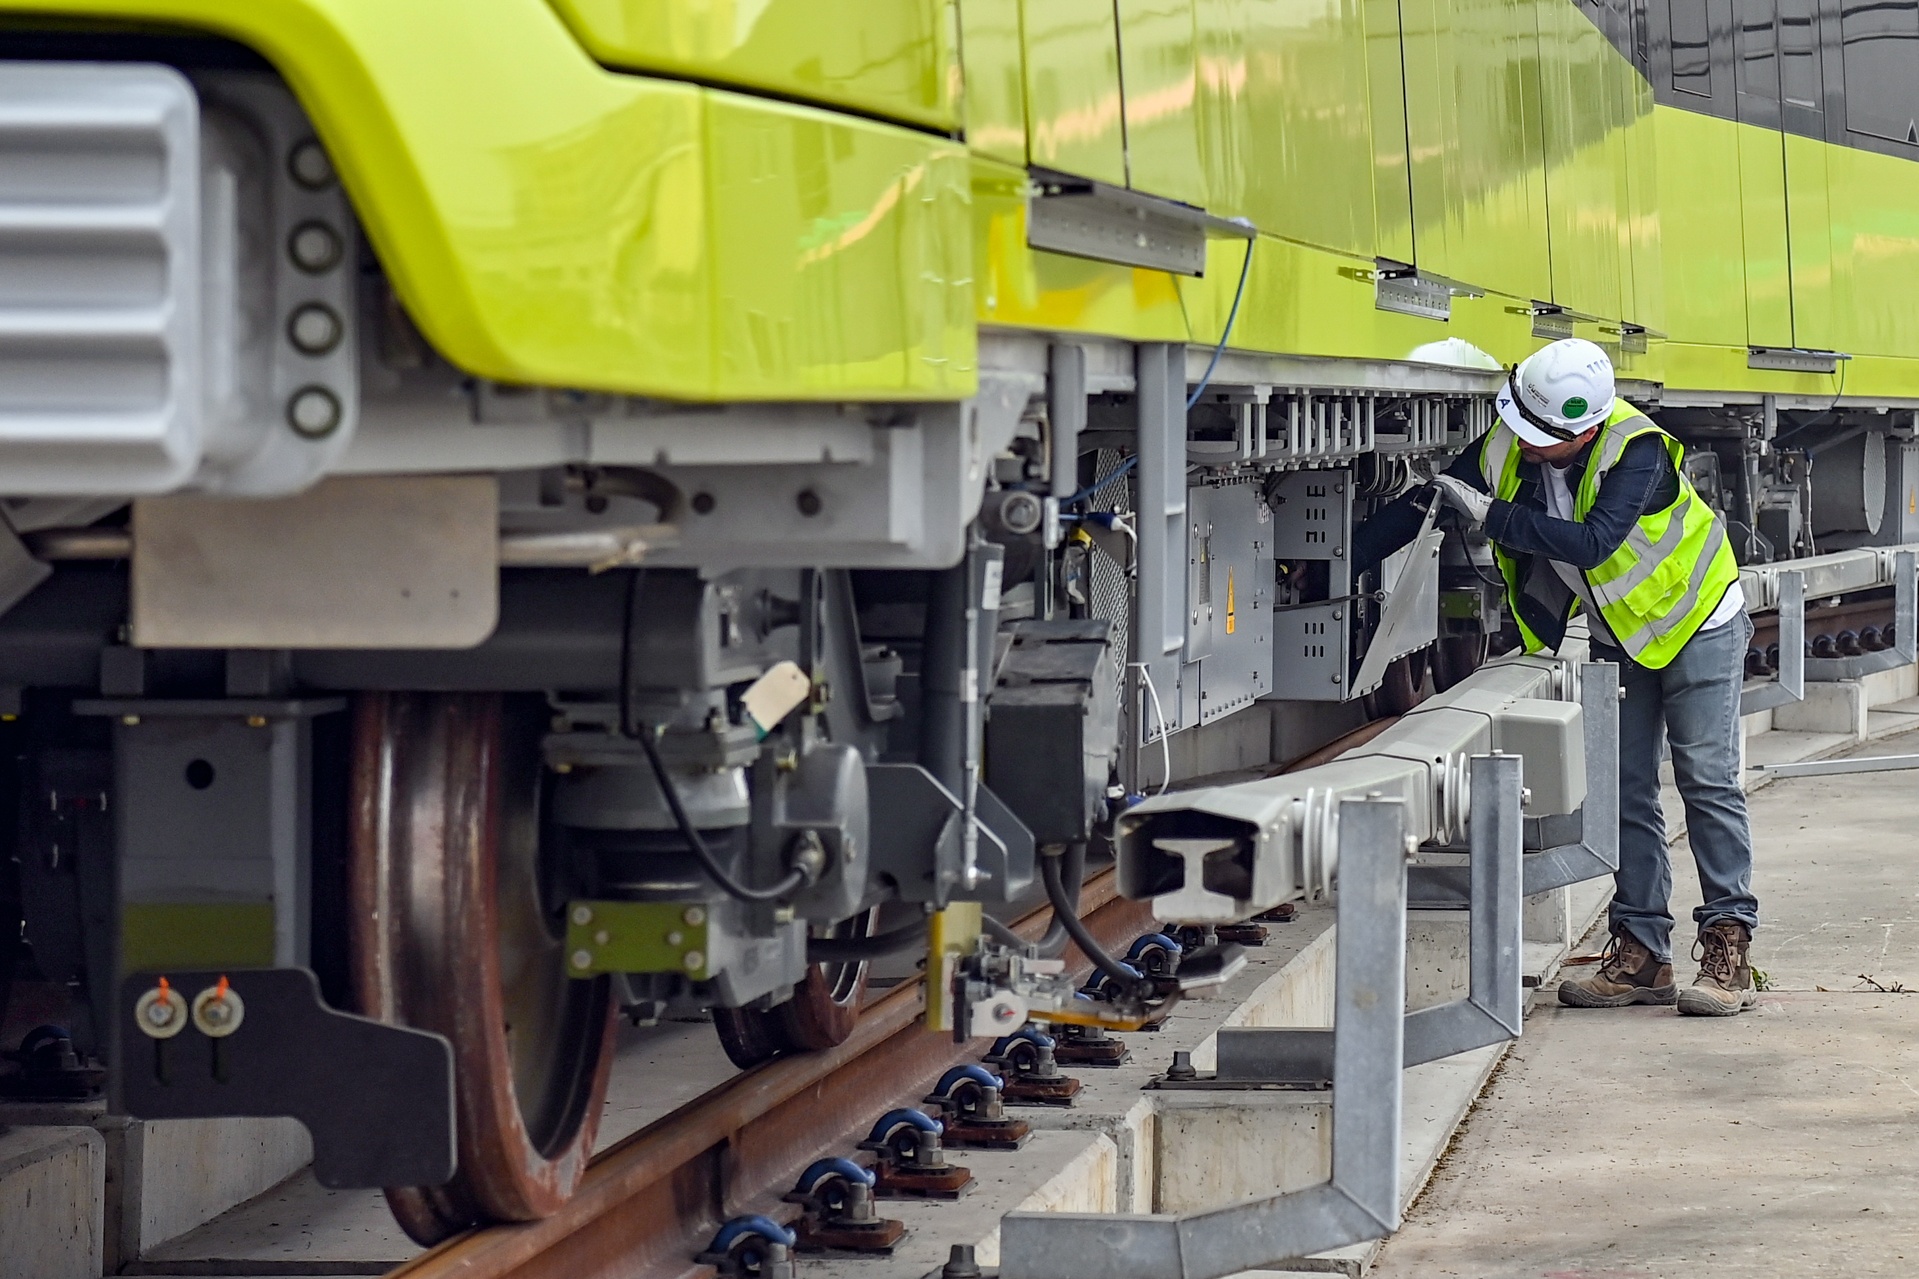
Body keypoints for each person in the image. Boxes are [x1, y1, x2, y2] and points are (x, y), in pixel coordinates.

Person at [1354, 337, 1759, 1016]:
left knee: (1706, 780)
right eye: (1519, 422)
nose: (1521, 440)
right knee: (1624, 790)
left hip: (1697, 622)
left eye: (1538, 434)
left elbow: (1594, 543)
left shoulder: (1636, 451)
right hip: (1621, 633)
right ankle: (1642, 953)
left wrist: (1494, 516)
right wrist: (1340, 559)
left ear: (1584, 431)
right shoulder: (1512, 440)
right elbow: (1432, 499)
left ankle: (1729, 945)